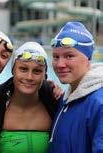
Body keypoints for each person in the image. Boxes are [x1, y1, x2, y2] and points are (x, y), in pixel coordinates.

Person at [0, 41, 58, 153]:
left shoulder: (55, 104)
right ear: (13, 70)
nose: (29, 77)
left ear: (45, 75)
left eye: (37, 71)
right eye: (23, 69)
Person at [48, 21, 103, 153]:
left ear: (88, 58)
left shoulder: (98, 103)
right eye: (56, 57)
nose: (60, 64)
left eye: (69, 56)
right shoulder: (67, 100)